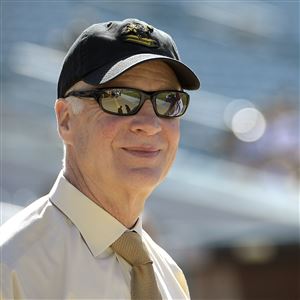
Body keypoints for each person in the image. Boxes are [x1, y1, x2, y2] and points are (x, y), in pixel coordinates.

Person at [0, 18, 200, 299]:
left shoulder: (171, 279)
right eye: (120, 99)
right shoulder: (10, 267)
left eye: (168, 100)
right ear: (66, 119)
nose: (150, 123)